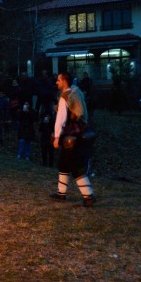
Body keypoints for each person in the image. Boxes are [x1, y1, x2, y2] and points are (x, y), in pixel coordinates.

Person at [50, 72, 97, 207]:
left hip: (71, 134)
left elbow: (61, 118)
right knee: (64, 163)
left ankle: (88, 196)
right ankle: (61, 193)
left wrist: (57, 136)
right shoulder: (77, 92)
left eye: (58, 80)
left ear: (64, 81)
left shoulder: (66, 96)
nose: (56, 83)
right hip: (77, 131)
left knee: (75, 165)